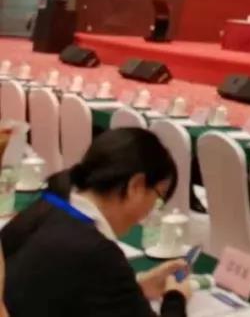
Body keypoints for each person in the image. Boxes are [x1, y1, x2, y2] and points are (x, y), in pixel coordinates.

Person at [1, 128, 190, 317]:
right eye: (158, 199)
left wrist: (135, 288)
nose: (151, 212)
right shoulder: (98, 253)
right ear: (136, 186)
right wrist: (175, 297)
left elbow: (64, 292)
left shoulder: (46, 206)